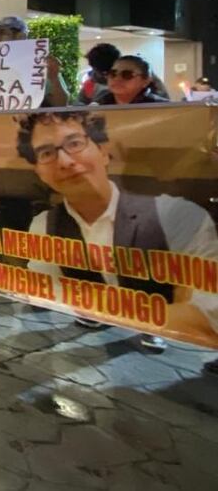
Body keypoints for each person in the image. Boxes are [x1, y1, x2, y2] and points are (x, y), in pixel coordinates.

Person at [15, 111, 218, 352]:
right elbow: (43, 297)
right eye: (46, 153)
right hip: (87, 358)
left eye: (75, 144)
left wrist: (87, 305)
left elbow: (207, 320)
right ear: (39, 171)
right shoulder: (44, 225)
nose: (65, 161)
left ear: (103, 152)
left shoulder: (176, 215)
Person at [0, 15, 70, 107]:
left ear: (21, 37)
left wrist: (54, 79)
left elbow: (61, 104)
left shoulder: (39, 66)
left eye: (2, 33)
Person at [93, 55, 169, 105]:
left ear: (145, 81)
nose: (117, 79)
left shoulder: (162, 108)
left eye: (127, 75)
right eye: (113, 73)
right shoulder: (97, 106)